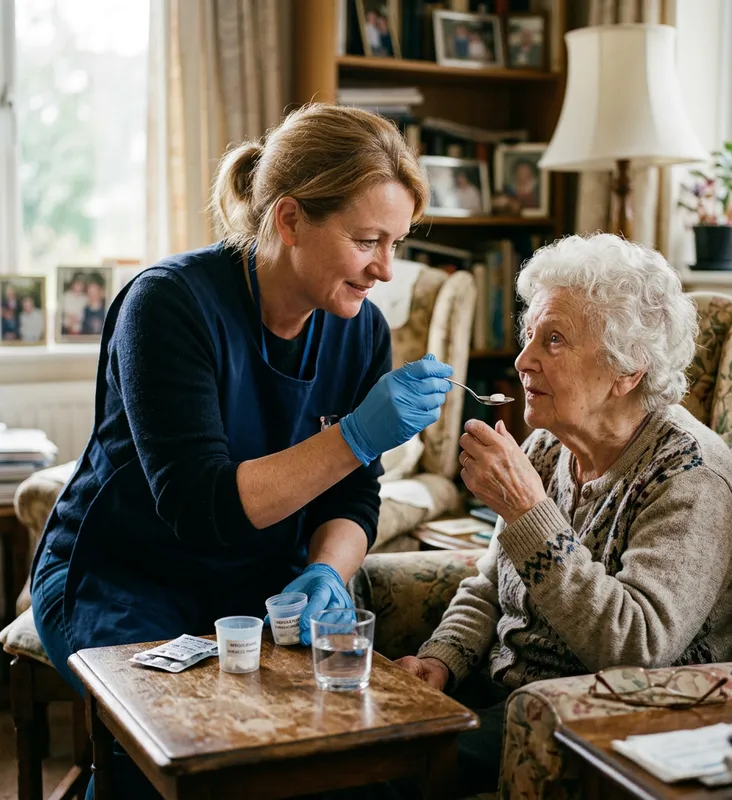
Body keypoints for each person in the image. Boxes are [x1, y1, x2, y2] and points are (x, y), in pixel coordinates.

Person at [30, 103, 452, 800]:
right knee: (169, 751)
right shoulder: (168, 306)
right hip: (125, 577)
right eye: (367, 240)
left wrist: (327, 573)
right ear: (289, 220)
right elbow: (201, 508)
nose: (384, 268)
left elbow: (354, 497)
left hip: (261, 581)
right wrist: (350, 436)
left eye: (397, 244)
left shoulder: (360, 330)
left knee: (344, 760)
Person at [396, 233, 732, 793]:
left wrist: (528, 510)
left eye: (554, 339)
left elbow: (637, 645)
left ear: (626, 368)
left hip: (593, 722)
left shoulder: (691, 475)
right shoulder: (545, 448)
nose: (522, 360)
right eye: (529, 334)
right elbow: (491, 584)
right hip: (504, 699)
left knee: (378, 768)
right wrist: (440, 660)